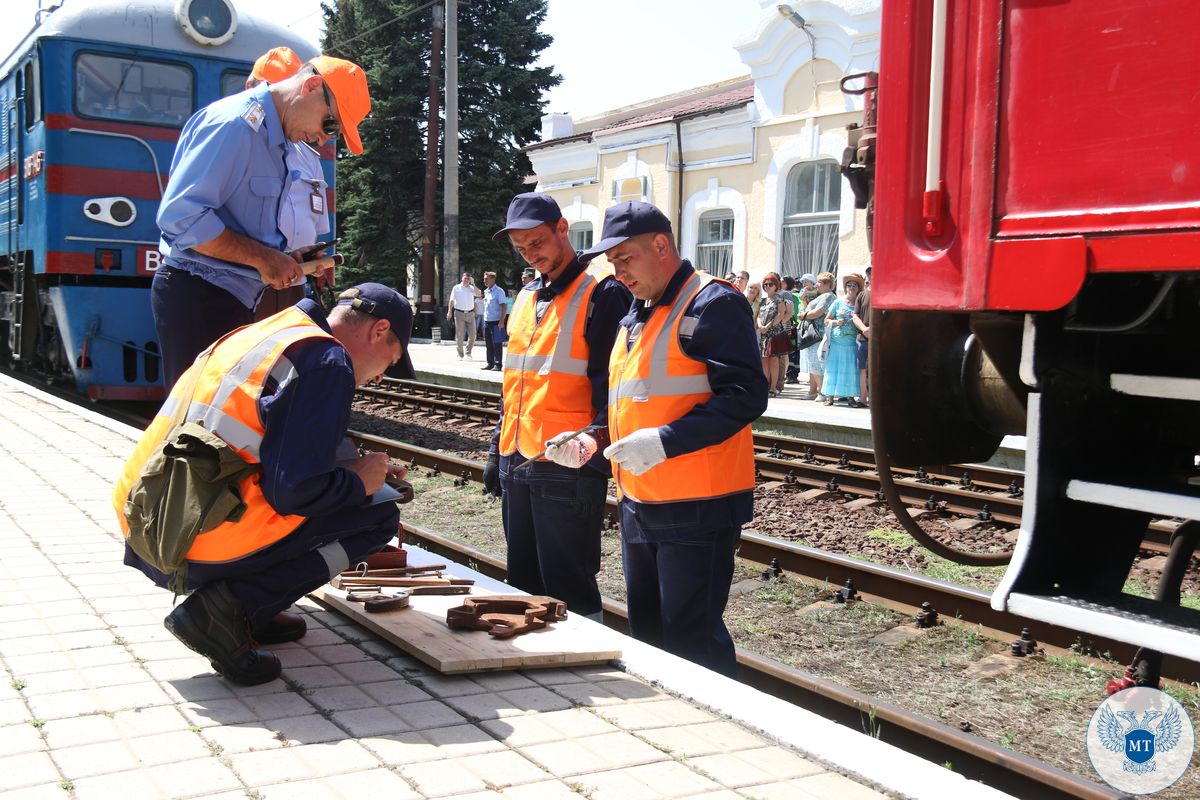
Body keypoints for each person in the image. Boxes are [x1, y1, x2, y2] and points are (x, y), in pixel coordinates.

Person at [114, 284, 416, 685]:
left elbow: (267, 439)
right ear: (378, 331)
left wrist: (352, 466)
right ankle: (225, 610)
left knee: (355, 494)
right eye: (388, 363)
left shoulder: (272, 334)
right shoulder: (328, 362)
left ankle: (254, 607)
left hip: (145, 520)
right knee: (378, 513)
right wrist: (360, 482)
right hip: (191, 543)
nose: (379, 377)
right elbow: (296, 492)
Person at [547, 201, 767, 676]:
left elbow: (747, 396)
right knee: (648, 632)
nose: (618, 272)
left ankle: (712, 733)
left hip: (698, 502)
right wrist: (591, 438)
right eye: (612, 263)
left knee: (692, 637)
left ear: (661, 246)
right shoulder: (637, 311)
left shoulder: (714, 303)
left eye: (625, 258)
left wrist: (664, 442)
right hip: (639, 500)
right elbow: (635, 400)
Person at [152, 56, 370, 389]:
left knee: (220, 423)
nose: (324, 139)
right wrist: (263, 258)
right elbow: (181, 217)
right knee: (195, 427)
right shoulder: (236, 126)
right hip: (199, 296)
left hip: (230, 297)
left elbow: (243, 224)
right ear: (312, 87)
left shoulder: (278, 140)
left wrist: (281, 256)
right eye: (330, 125)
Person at [484, 193, 632, 620]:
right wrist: (498, 449)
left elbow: (612, 389)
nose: (532, 255)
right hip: (519, 459)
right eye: (522, 249)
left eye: (538, 243)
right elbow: (515, 382)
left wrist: (594, 466)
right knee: (523, 580)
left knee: (569, 586)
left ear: (562, 229)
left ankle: (580, 672)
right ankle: (529, 670)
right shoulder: (528, 296)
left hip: (567, 464)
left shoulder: (603, 293)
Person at [245, 47, 333, 322]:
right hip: (250, 283)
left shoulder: (309, 158)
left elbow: (315, 226)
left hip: (294, 286)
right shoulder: (243, 143)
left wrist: (317, 258)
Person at [822, 273, 866, 407]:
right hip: (836, 342)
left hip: (852, 342)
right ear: (845, 287)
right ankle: (829, 396)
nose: (851, 287)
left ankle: (850, 397)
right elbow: (826, 320)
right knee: (832, 368)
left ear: (858, 288)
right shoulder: (838, 302)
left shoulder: (860, 303)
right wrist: (836, 322)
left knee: (851, 370)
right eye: (849, 285)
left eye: (854, 285)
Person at [798, 272, 836, 400]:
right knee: (811, 362)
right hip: (813, 333)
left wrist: (803, 315)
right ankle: (813, 391)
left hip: (818, 333)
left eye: (819, 282)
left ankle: (823, 392)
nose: (817, 285)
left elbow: (819, 312)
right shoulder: (823, 295)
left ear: (828, 284)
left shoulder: (828, 296)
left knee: (815, 362)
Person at [756, 272, 790, 398]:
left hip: (774, 334)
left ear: (776, 286)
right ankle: (765, 386)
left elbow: (781, 315)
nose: (767, 286)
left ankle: (773, 387)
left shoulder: (779, 299)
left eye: (770, 284)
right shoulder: (763, 301)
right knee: (764, 360)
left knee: (774, 361)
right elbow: (759, 315)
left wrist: (768, 326)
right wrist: (760, 326)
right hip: (764, 334)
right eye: (765, 284)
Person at [851, 266, 872, 406]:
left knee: (877, 369)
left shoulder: (885, 293)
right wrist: (864, 328)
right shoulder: (862, 295)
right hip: (862, 338)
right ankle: (863, 398)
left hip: (880, 339)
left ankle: (875, 399)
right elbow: (855, 316)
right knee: (862, 370)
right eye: (869, 274)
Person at [446, 273, 477, 359]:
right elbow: (451, 300)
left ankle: (468, 352)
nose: (466, 280)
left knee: (473, 335)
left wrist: (473, 284)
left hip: (470, 314)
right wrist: (449, 311)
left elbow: (479, 295)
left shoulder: (472, 288)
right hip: (459, 313)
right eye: (465, 278)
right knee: (460, 335)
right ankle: (460, 354)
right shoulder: (456, 288)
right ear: (462, 278)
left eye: (468, 278)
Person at [481, 271, 507, 370]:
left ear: (493, 279)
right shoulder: (486, 291)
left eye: (486, 279)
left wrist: (501, 321)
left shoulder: (499, 291)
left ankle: (498, 364)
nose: (484, 281)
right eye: (484, 279)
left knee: (497, 344)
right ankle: (490, 363)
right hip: (487, 321)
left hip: (497, 322)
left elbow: (504, 306)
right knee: (488, 344)